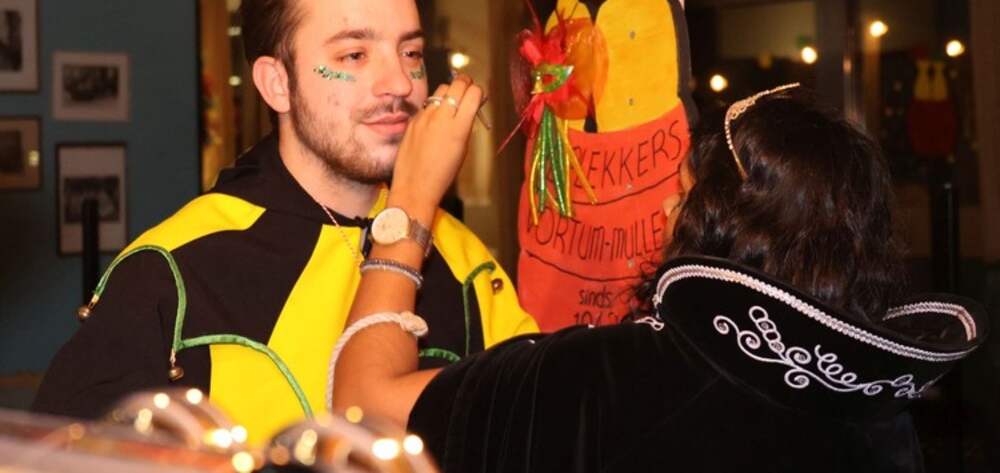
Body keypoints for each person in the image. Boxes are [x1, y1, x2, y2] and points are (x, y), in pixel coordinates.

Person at [32, 0, 537, 444]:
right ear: (278, 83)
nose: (399, 83)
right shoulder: (174, 268)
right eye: (354, 55)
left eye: (410, 53)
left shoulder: (464, 259)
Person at [330, 82, 987, 471]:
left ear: (717, 224)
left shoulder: (612, 378)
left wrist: (410, 202)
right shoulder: (878, 409)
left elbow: (365, 406)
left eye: (683, 193)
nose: (667, 208)